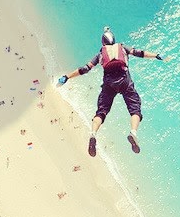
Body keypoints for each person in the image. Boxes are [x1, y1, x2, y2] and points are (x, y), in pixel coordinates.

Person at [56, 27, 167, 157]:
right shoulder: (123, 48)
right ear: (114, 40)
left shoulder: (100, 54)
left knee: (101, 112)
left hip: (109, 84)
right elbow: (139, 53)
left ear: (103, 43)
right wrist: (156, 55)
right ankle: (133, 133)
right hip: (125, 82)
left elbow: (85, 69)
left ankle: (93, 134)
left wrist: (67, 77)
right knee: (135, 109)